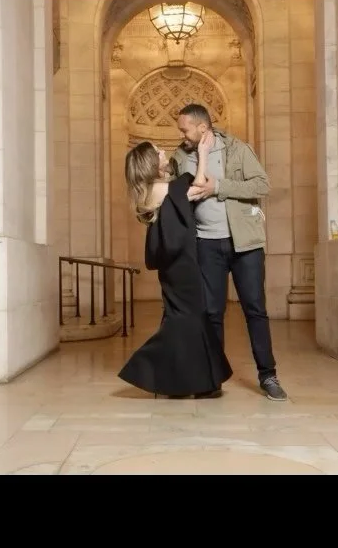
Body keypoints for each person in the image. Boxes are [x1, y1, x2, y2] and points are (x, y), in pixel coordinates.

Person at [170, 103, 288, 401]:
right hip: (205, 244)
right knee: (211, 313)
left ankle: (268, 375)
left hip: (245, 244)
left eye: (185, 129)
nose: (181, 135)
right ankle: (212, 378)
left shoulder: (237, 149)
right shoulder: (180, 157)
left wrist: (219, 186)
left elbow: (262, 185)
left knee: (255, 309)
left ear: (202, 127)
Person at [117, 135, 233, 399]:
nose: (162, 152)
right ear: (151, 164)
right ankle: (148, 369)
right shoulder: (166, 189)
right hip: (183, 264)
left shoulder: (151, 192)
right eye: (157, 152)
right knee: (188, 318)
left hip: (173, 265)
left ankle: (181, 382)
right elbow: (199, 187)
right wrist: (203, 153)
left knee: (181, 318)